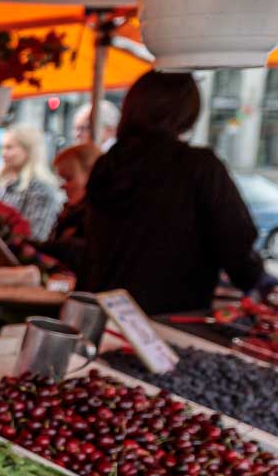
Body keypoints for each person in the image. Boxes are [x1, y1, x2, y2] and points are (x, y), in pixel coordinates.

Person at [79, 71, 267, 314]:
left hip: (103, 313)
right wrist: (258, 280)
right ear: (187, 113)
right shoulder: (199, 166)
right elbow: (236, 243)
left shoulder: (106, 164)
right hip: (168, 321)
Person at [0, 125, 66, 240]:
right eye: (2, 148)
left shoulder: (41, 189)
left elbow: (35, 235)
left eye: (9, 148)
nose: (2, 153)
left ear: (29, 150)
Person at [42, 142, 101, 267]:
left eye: (68, 178)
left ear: (91, 175)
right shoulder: (70, 212)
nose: (62, 186)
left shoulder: (97, 217)